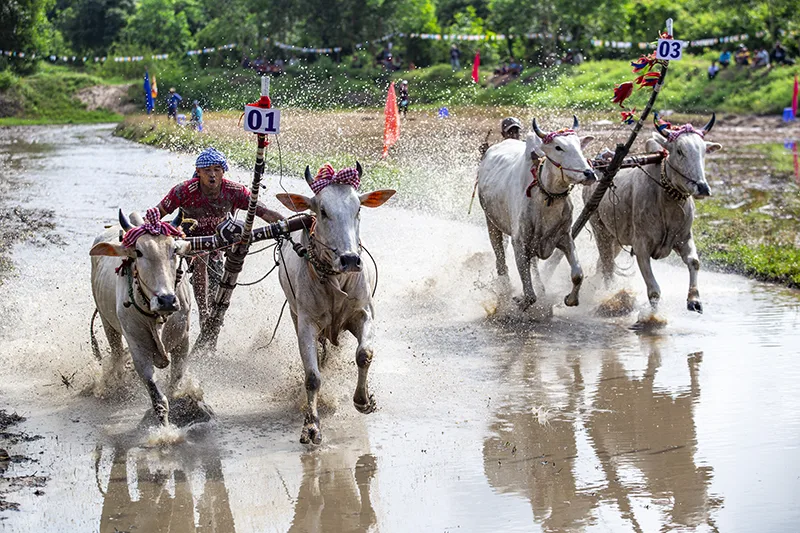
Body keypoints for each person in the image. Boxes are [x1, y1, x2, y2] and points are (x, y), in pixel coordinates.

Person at [154, 147, 284, 329]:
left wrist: (286, 225)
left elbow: (264, 212)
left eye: (217, 169)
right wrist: (143, 229)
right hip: (187, 243)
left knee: (218, 292)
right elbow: (158, 213)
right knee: (201, 257)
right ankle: (203, 314)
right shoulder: (183, 191)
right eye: (207, 170)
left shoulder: (235, 191)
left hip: (219, 245)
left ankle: (212, 322)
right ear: (198, 172)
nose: (212, 175)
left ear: (223, 171)